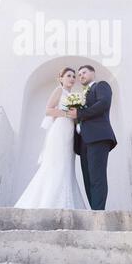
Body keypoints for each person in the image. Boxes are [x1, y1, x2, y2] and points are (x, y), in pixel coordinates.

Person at [14, 67, 87, 209]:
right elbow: (48, 110)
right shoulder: (59, 90)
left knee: (67, 164)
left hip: (69, 132)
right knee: (56, 164)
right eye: (68, 76)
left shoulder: (73, 96)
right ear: (61, 78)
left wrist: (77, 117)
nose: (72, 78)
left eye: (73, 76)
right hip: (59, 130)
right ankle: (48, 201)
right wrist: (67, 114)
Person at [68, 65, 117, 210]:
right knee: (87, 179)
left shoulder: (101, 86)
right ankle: (94, 211)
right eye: (79, 74)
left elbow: (103, 103)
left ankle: (98, 212)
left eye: (84, 72)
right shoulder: (81, 94)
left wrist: (80, 114)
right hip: (83, 141)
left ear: (93, 73)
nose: (81, 75)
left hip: (98, 137)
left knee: (97, 176)